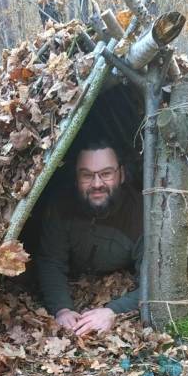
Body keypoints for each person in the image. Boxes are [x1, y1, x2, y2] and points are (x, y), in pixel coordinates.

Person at [35, 139, 143, 336]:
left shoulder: (140, 214)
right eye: (87, 175)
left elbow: (153, 282)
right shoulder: (61, 205)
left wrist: (113, 311)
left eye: (106, 174)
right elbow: (51, 260)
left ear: (122, 175)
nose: (96, 184)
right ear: (76, 178)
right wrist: (62, 308)